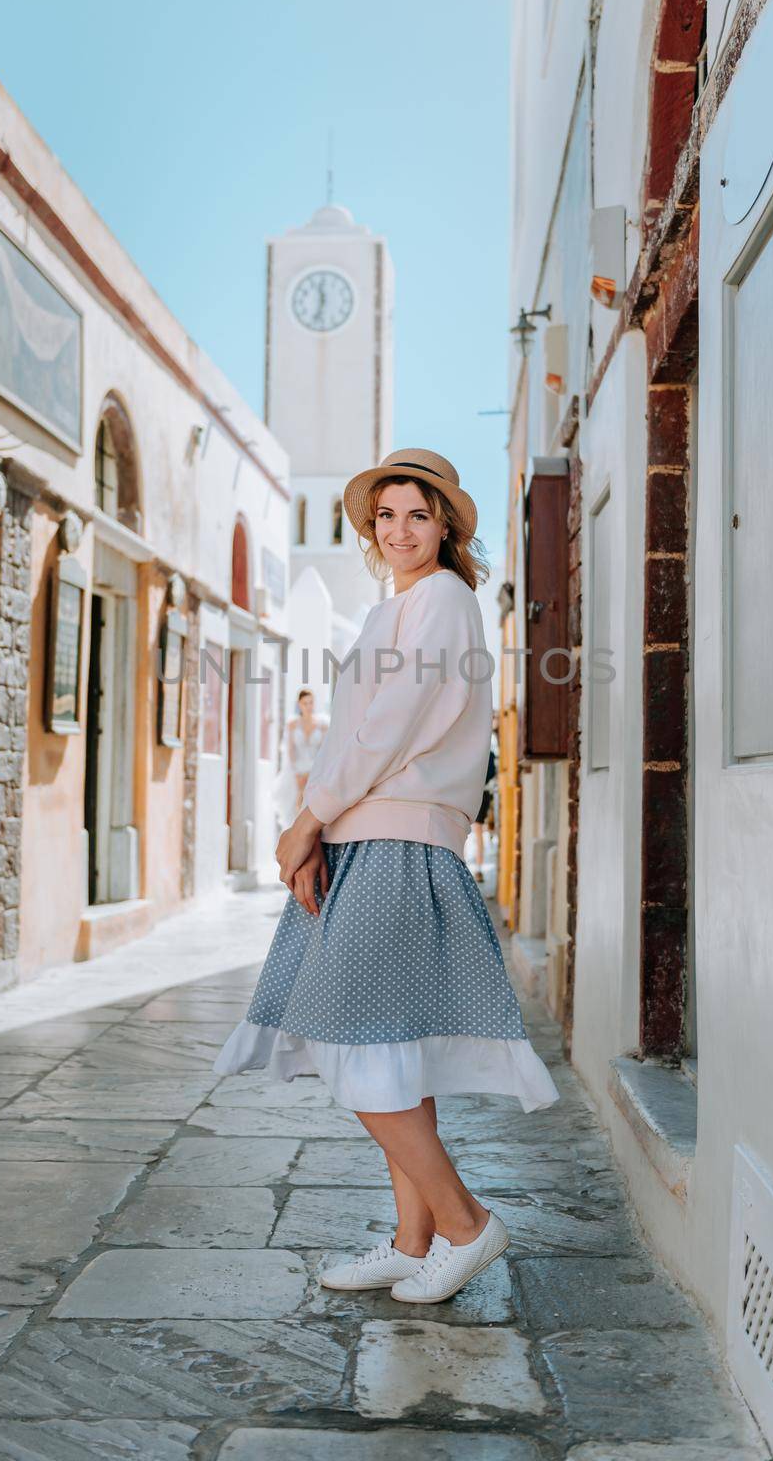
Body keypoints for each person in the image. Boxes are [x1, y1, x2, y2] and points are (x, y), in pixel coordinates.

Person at [212, 447, 560, 1305]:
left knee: (354, 1045)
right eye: (385, 516)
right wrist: (323, 829)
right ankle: (413, 1240)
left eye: (417, 514)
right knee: (390, 1052)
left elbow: (390, 729)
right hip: (366, 835)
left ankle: (468, 1224)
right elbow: (350, 734)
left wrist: (305, 820)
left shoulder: (441, 599)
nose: (399, 530)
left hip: (398, 840)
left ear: (444, 525)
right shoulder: (397, 608)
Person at [288, 689, 328, 814]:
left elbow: (324, 751)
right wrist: (296, 772)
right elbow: (290, 750)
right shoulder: (293, 725)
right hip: (298, 769)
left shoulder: (322, 725)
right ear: (299, 704)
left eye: (311, 703)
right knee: (299, 796)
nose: (308, 706)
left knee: (313, 799)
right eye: (305, 703)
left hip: (316, 768)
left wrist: (315, 771)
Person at [470, 735, 498, 883]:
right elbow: (492, 774)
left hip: (470, 793)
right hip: (482, 794)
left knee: (469, 834)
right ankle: (478, 869)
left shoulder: (469, 753)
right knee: (478, 833)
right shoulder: (489, 754)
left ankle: (473, 868)